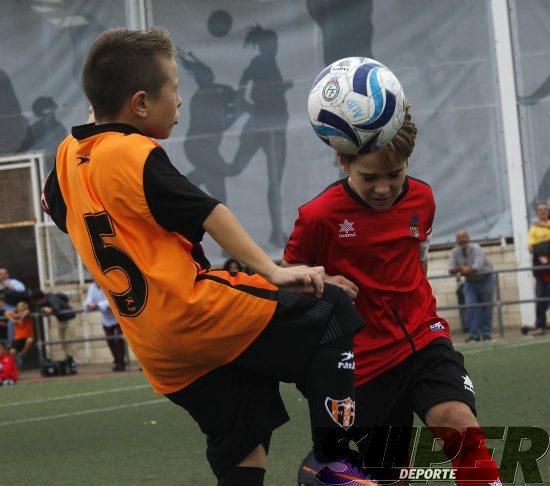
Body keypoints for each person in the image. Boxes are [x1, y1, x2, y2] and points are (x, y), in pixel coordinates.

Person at [41, 27, 367, 486]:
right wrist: (273, 271)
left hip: (157, 350)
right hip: (195, 313)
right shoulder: (135, 153)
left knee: (243, 437)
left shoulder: (67, 156)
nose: (180, 101)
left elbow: (58, 210)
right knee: (332, 310)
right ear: (139, 104)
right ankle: (333, 462)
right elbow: (211, 213)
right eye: (174, 89)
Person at [284, 102, 501, 485]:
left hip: (423, 339)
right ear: (343, 161)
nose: (383, 188)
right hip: (365, 365)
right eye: (370, 177)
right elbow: (286, 277)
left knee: (458, 424)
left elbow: (418, 256)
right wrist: (323, 281)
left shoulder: (423, 199)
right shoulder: (318, 216)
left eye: (394, 175)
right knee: (391, 474)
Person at [449, 230, 495, 342]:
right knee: (470, 306)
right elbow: (451, 269)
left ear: (468, 237)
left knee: (486, 306)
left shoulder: (476, 248)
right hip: (470, 281)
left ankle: (486, 333)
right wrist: (462, 269)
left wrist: (461, 270)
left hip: (485, 279)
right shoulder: (455, 252)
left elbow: (477, 266)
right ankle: (474, 335)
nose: (462, 239)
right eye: (459, 237)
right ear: (456, 240)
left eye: (464, 236)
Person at [85, 281, 126, 372]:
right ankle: (117, 361)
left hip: (117, 317)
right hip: (106, 318)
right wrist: (88, 305)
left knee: (118, 339)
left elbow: (112, 299)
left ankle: (122, 362)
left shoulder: (107, 283)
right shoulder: (92, 287)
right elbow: (88, 300)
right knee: (110, 341)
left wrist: (97, 305)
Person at [31, 290, 76, 360]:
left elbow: (56, 309)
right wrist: (43, 309)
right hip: (61, 320)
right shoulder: (43, 302)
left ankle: (71, 360)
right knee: (63, 341)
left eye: (36, 301)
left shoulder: (51, 299)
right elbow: (38, 309)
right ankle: (67, 358)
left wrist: (50, 310)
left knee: (68, 341)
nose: (37, 303)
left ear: (39, 299)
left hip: (69, 319)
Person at [527, 201, 550, 336]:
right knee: (541, 296)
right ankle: (540, 323)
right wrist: (540, 254)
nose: (542, 212)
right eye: (540, 210)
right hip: (541, 268)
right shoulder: (534, 228)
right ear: (537, 213)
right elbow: (531, 247)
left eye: (544, 210)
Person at [0, 268, 26, 345]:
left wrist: (6, 285)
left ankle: (11, 344)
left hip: (11, 307)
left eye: (3, 274)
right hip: (2, 309)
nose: (2, 276)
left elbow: (22, 289)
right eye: (0, 274)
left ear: (7, 275)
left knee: (12, 322)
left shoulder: (13, 282)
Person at [5, 301, 35, 366]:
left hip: (28, 336)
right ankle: (14, 365)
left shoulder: (27, 314)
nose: (21, 311)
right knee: (12, 351)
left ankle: (22, 354)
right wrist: (13, 320)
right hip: (18, 338)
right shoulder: (15, 315)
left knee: (30, 340)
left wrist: (21, 318)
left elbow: (27, 312)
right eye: (19, 309)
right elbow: (6, 313)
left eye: (22, 309)